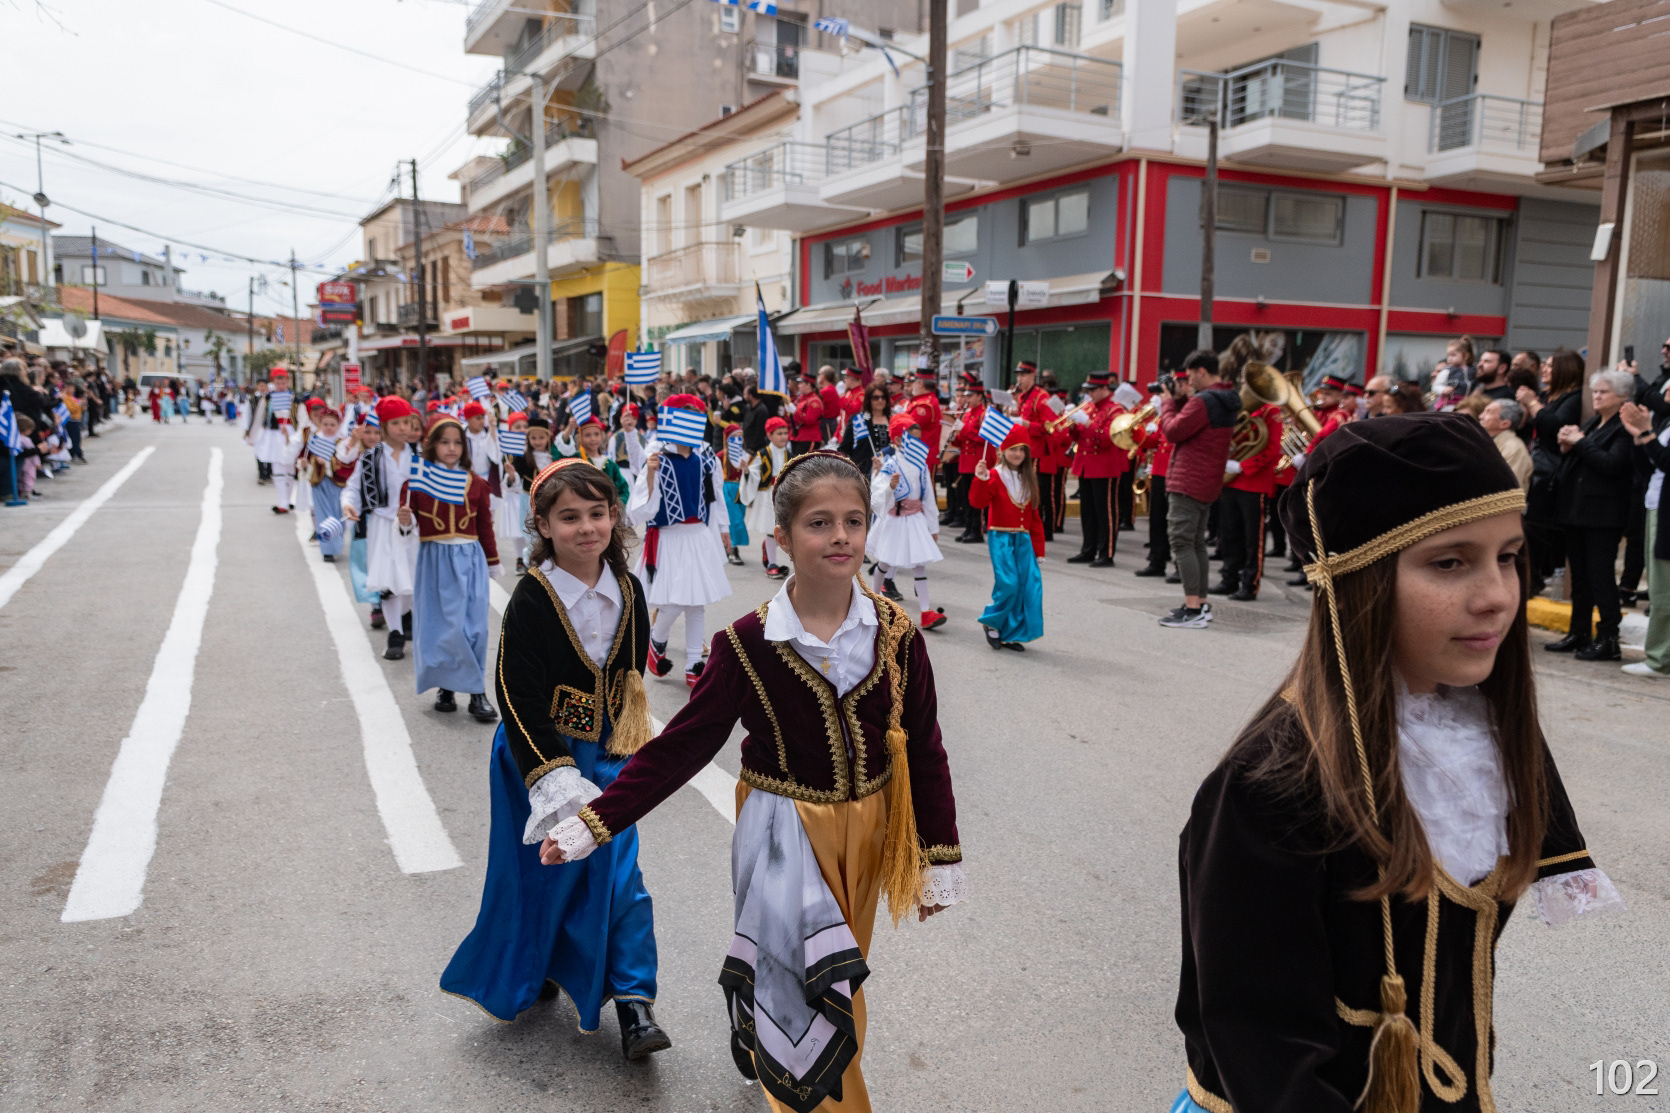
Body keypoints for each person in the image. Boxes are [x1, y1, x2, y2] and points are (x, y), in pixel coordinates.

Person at [1173, 411, 1621, 1113]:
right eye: (1450, 562)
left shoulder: (1491, 733)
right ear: (1359, 578)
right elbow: (1263, 1048)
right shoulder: (1272, 784)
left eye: (1508, 556)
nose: (1497, 595)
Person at [540, 450, 965, 1111]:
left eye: (854, 521)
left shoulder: (896, 632)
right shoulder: (746, 643)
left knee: (837, 973)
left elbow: (925, 745)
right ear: (783, 536)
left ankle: (757, 1014)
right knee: (822, 988)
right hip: (781, 832)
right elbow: (682, 746)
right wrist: (596, 821)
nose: (841, 536)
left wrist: (938, 854)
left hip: (871, 829)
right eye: (819, 523)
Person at [440, 458, 669, 1059]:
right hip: (536, 759)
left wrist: (626, 753)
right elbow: (514, 692)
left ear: (614, 517)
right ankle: (537, 962)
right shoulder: (533, 598)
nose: (586, 528)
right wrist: (555, 774)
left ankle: (634, 1001)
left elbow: (631, 680)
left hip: (608, 756)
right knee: (539, 873)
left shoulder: (629, 589)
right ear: (543, 525)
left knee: (619, 874)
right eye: (570, 517)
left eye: (597, 513)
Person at [401, 415, 502, 719]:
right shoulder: (416, 483)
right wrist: (404, 521)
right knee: (442, 628)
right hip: (435, 560)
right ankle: (446, 687)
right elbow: (407, 527)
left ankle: (476, 692)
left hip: (469, 560)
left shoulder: (476, 484)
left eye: (457, 442)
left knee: (473, 627)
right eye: (444, 442)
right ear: (431, 445)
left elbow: (484, 526)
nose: (451, 448)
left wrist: (493, 562)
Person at [628, 394, 732, 686]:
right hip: (669, 537)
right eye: (683, 417)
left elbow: (714, 497)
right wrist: (651, 475)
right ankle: (657, 639)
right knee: (675, 601)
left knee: (696, 603)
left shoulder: (705, 459)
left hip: (698, 535)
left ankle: (694, 664)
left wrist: (723, 528)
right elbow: (641, 511)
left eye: (694, 417)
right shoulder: (658, 458)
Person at [1547, 369, 1635, 662]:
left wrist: (1580, 442)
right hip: (1576, 510)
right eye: (1595, 391)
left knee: (1601, 576)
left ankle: (1609, 638)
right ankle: (1579, 632)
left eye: (1604, 392)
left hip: (1604, 514)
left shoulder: (1624, 428)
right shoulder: (1592, 423)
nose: (1597, 397)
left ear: (1623, 396)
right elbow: (1581, 460)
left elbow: (1612, 464)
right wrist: (1566, 446)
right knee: (1580, 577)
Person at [1158, 351, 1240, 628]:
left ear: (1202, 371)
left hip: (1189, 480)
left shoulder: (1204, 401)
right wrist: (1180, 400)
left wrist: (1167, 403)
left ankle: (1193, 610)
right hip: (1206, 480)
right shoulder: (1223, 399)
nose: (1189, 381)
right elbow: (1194, 426)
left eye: (1191, 375)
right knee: (1196, 544)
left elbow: (1173, 431)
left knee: (1182, 543)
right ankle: (1200, 604)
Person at [343, 396, 423, 659]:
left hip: (412, 526)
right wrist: (348, 504)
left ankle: (405, 613)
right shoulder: (370, 457)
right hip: (382, 524)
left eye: (406, 422)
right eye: (396, 423)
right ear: (385, 426)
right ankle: (395, 633)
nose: (403, 428)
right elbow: (353, 487)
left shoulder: (420, 456)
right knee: (388, 579)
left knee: (410, 577)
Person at [970, 426, 1045, 651]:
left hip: (1024, 541)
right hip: (1001, 538)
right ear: (1003, 451)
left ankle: (1011, 632)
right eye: (1013, 449)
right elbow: (978, 502)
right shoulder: (994, 475)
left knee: (1028, 586)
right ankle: (992, 621)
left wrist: (1039, 549)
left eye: (1022, 450)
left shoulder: (1029, 478)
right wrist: (980, 479)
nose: (1018, 454)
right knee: (1009, 583)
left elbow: (1034, 517)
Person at [869, 415, 946, 630]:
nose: (917, 443)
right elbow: (876, 494)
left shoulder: (921, 465)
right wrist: (890, 487)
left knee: (919, 565)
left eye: (919, 439)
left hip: (915, 520)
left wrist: (933, 527)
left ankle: (926, 612)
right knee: (885, 562)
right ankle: (874, 602)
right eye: (912, 439)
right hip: (895, 519)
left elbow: (928, 498)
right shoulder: (891, 464)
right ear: (897, 440)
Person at [1519, 349, 1584, 596]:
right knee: (1530, 525)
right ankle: (1532, 575)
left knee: (1539, 527)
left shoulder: (1573, 398)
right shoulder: (1548, 396)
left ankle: (1537, 577)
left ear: (1565, 370)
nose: (1544, 370)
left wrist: (1532, 403)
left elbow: (1554, 426)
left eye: (1550, 366)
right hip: (1537, 466)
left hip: (1552, 472)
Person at [1620, 378, 1670, 678]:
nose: (1666, 392)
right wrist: (1640, 436)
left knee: (1663, 589)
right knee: (1660, 584)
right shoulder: (1666, 423)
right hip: (1656, 505)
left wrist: (1647, 432)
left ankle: (1659, 659)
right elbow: (1649, 466)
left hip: (1666, 512)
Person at [1211, 395, 1283, 601]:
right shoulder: (1239, 408)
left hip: (1254, 482)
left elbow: (1272, 449)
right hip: (1230, 480)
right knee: (1229, 534)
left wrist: (1243, 466)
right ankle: (1229, 579)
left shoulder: (1271, 412)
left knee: (1252, 539)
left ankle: (1250, 584)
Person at [1066, 371, 1128, 567]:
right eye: (1088, 390)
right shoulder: (1089, 407)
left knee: (1105, 512)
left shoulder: (1115, 411)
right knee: (1088, 512)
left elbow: (1108, 439)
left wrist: (1087, 423)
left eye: (1093, 390)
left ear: (1104, 388)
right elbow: (1077, 437)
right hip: (1086, 465)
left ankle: (1106, 553)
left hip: (1104, 467)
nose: (1090, 394)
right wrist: (1072, 424)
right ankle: (1088, 549)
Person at [338, 416, 387, 626]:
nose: (373, 437)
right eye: (368, 432)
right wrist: (347, 503)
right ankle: (376, 605)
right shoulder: (363, 458)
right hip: (365, 517)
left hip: (390, 520)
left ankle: (395, 607)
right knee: (367, 562)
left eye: (377, 433)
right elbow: (352, 486)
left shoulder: (395, 456)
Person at [741, 416, 794, 578]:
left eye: (785, 433)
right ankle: (772, 564)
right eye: (779, 433)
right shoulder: (763, 454)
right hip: (768, 495)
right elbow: (754, 472)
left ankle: (769, 549)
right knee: (772, 529)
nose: (783, 436)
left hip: (785, 493)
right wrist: (747, 471)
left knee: (786, 528)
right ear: (769, 435)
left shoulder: (790, 454)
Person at [945, 376, 995, 544]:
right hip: (966, 462)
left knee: (976, 499)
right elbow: (962, 441)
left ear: (980, 396)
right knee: (966, 498)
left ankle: (977, 530)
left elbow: (985, 439)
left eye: (971, 395)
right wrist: (955, 436)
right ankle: (968, 528)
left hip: (977, 461)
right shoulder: (967, 414)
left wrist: (964, 430)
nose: (967, 399)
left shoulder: (984, 414)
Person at [301, 409, 347, 562]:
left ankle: (336, 542)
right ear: (320, 424)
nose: (328, 427)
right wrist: (307, 463)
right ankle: (327, 549)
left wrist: (328, 462)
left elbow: (346, 462)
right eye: (325, 424)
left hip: (337, 483)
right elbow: (307, 457)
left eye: (332, 424)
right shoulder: (314, 439)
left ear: (338, 425)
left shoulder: (342, 441)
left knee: (337, 514)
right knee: (323, 515)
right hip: (319, 482)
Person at [839, 381, 893, 474]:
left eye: (883, 397)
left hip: (888, 472)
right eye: (876, 398)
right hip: (863, 472)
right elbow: (844, 449)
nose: (880, 400)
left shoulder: (893, 420)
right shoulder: (858, 419)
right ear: (868, 400)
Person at [1479, 398, 1532, 491]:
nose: (1480, 416)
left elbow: (1510, 490)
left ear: (1504, 424)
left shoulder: (1514, 449)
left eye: (1488, 412)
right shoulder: (1484, 440)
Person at [789, 373, 824, 456]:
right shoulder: (801, 398)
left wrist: (795, 412)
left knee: (804, 462)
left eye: (801, 383)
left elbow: (810, 420)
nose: (799, 385)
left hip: (808, 438)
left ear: (808, 385)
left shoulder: (814, 401)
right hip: (797, 436)